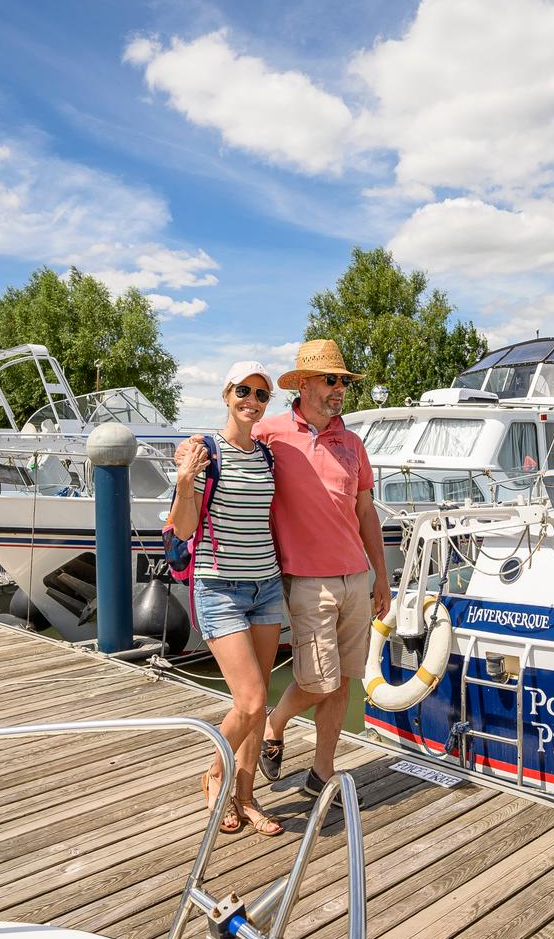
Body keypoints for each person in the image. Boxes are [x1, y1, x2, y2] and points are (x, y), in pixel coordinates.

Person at [250, 340, 390, 798]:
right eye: (331, 380)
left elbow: (365, 512)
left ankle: (321, 773)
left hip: (355, 578)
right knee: (319, 681)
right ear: (304, 385)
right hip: (307, 579)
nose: (339, 389)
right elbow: (230, 451)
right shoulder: (269, 434)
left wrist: (380, 575)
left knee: (344, 679)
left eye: (343, 381)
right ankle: (275, 722)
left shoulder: (352, 443)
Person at [167, 360, 285, 836]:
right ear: (226, 394)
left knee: (259, 703)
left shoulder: (266, 455)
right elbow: (184, 529)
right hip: (219, 587)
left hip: (267, 587)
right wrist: (184, 482)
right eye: (243, 391)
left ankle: (247, 796)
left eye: (261, 394)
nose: (251, 401)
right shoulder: (204, 452)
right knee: (251, 700)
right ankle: (215, 773)